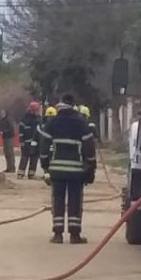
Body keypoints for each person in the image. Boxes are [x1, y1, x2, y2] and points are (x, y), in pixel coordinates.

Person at [39, 94, 96, 244]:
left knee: (57, 200)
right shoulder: (81, 123)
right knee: (75, 202)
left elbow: (44, 146)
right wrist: (91, 168)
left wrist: (45, 165)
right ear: (73, 105)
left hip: (56, 170)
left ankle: (58, 234)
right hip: (77, 172)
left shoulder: (52, 123)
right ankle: (75, 235)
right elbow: (89, 149)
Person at [17, 102, 42, 179]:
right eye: (37, 110)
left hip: (35, 143)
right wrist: (21, 141)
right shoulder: (25, 119)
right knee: (24, 157)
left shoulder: (39, 119)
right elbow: (21, 131)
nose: (38, 112)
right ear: (32, 110)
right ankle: (20, 173)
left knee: (34, 158)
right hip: (26, 142)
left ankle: (31, 174)